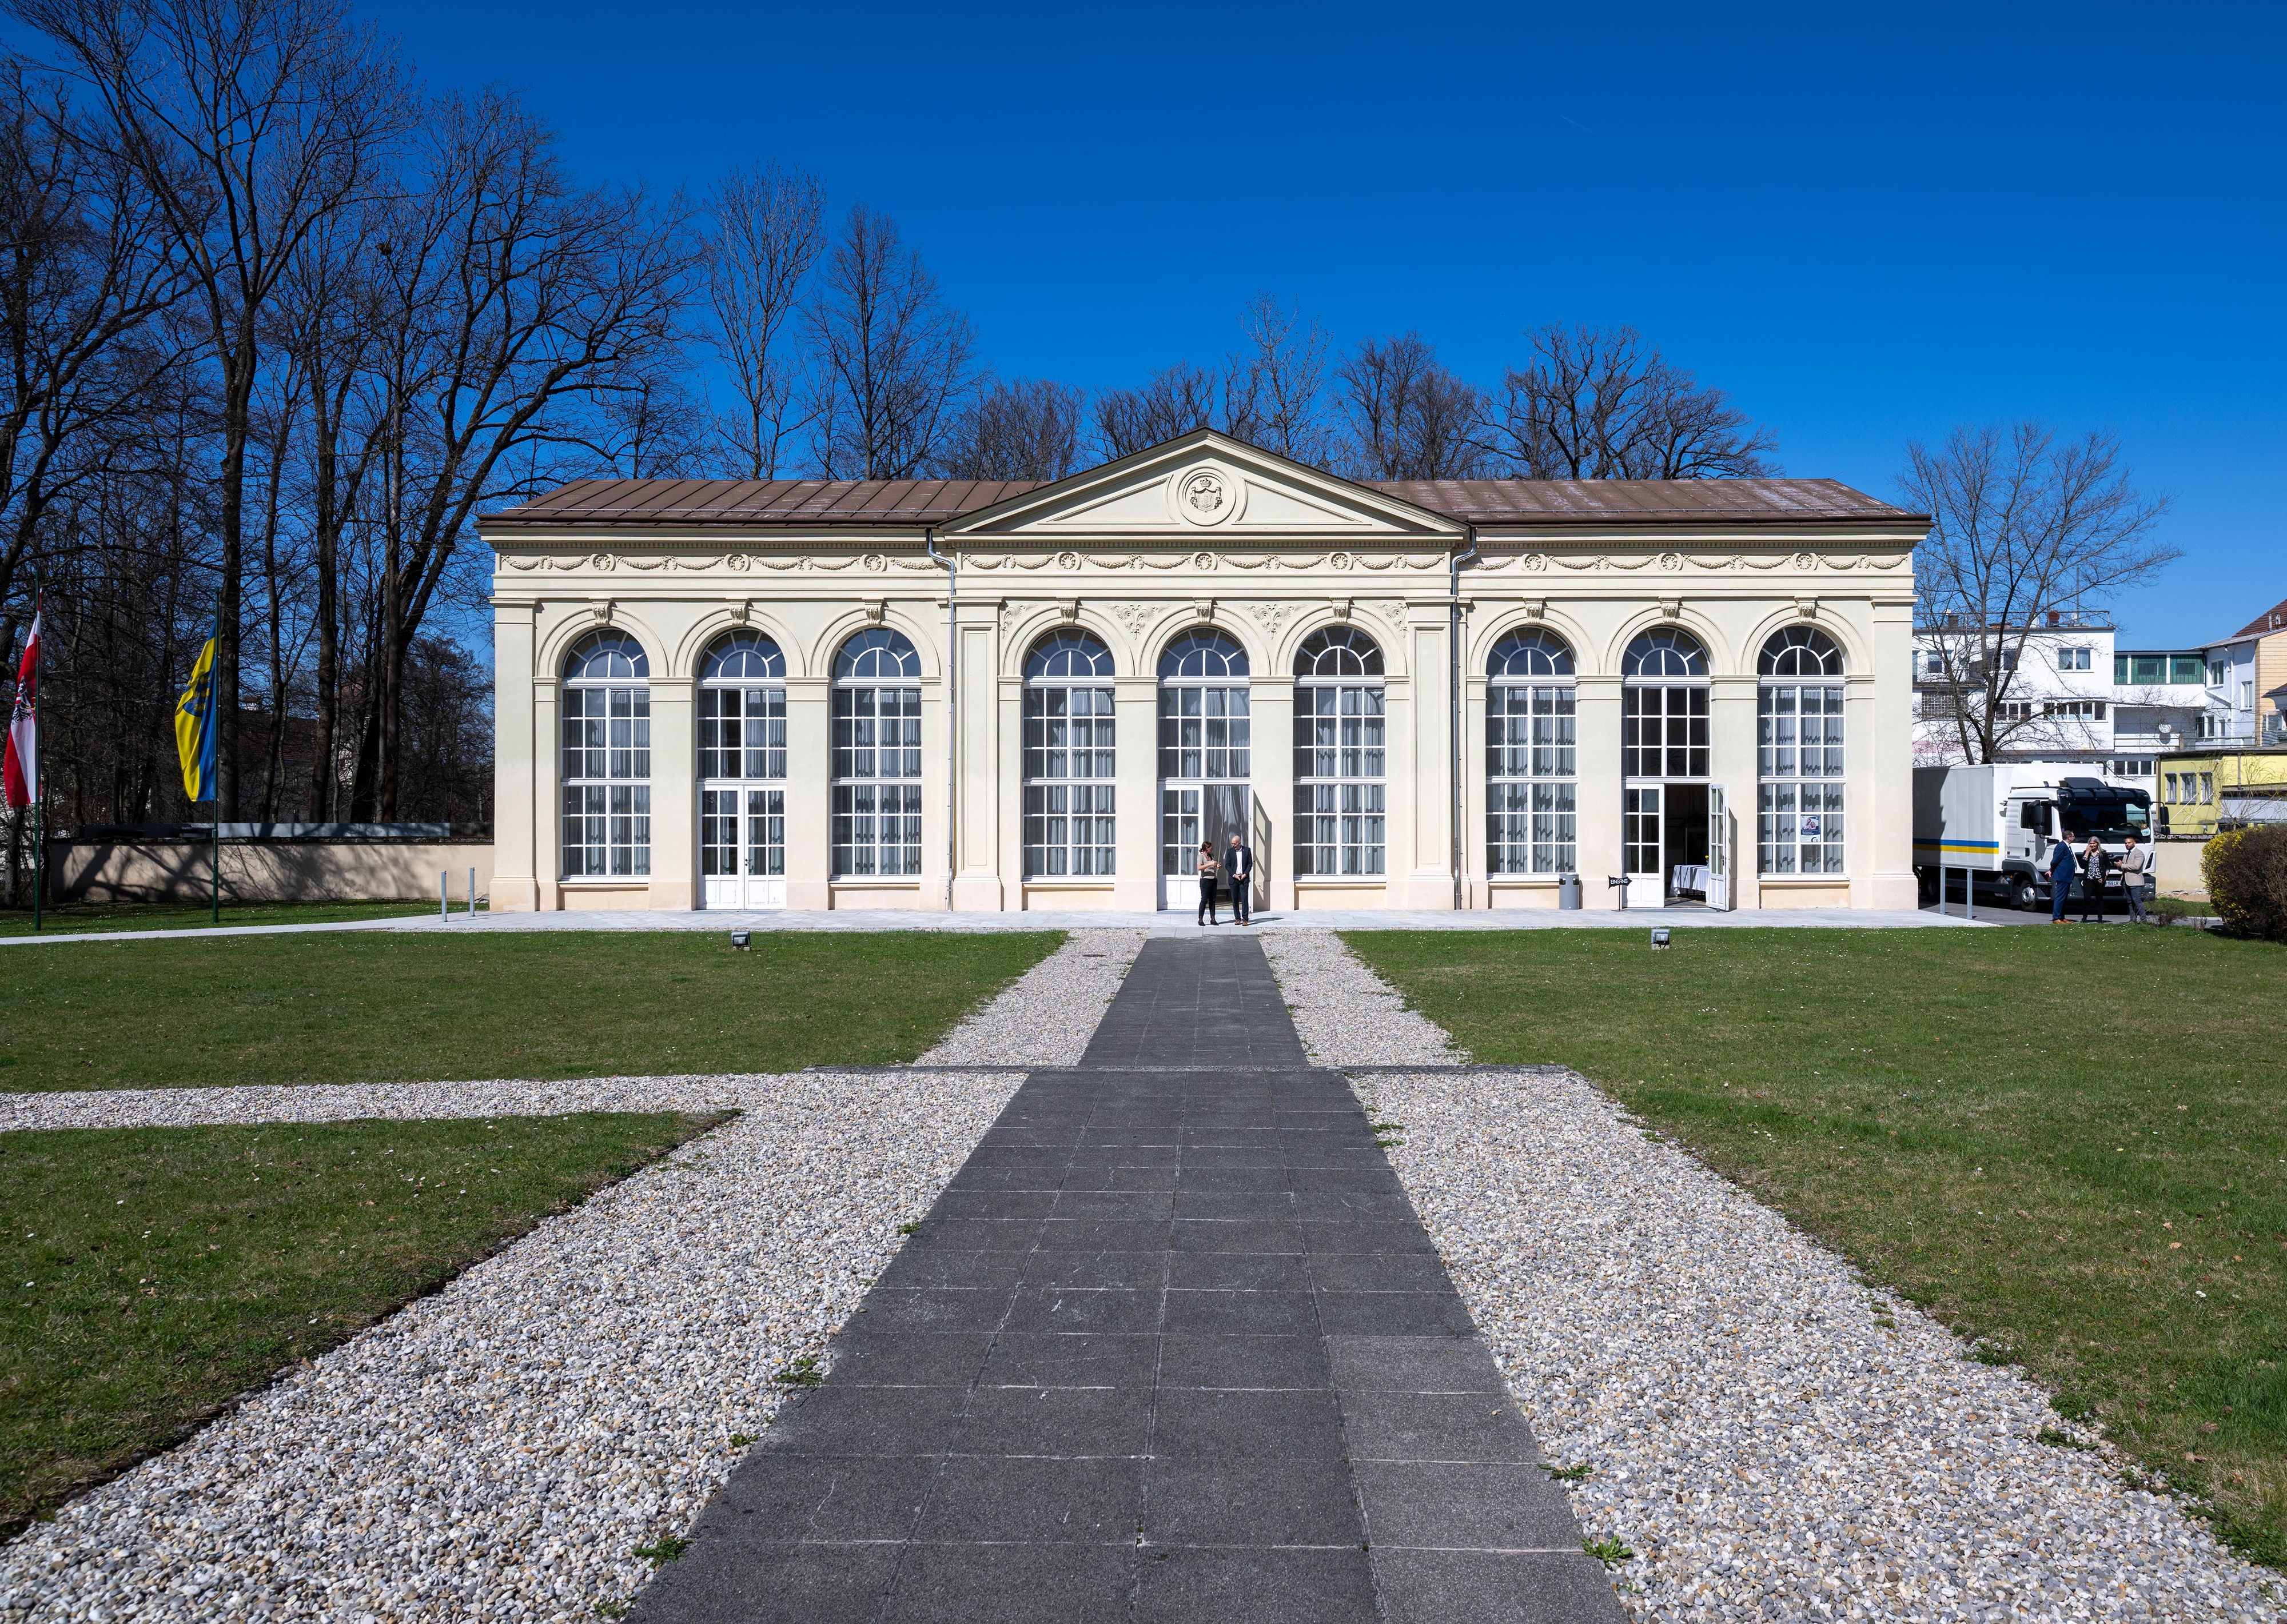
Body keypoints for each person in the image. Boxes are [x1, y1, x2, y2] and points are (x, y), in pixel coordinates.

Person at [1223, 831, 1256, 925]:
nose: (1233, 845)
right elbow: (1227, 865)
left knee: (1244, 899)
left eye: (1235, 844)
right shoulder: (1230, 852)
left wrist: (1245, 874)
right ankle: (1237, 918)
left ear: (1239, 843)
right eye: (1232, 843)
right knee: (1235, 899)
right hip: (1234, 879)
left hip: (1244, 878)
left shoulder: (1247, 850)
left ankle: (1245, 919)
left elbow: (1250, 864)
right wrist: (1234, 875)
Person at [2118, 830, 2151, 922]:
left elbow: (2136, 867)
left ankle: (2144, 920)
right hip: (2126, 881)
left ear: (2134, 843)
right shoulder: (2126, 854)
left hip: (2136, 882)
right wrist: (2120, 866)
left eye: (2129, 843)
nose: (2127, 845)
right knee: (2129, 902)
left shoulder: (2139, 853)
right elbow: (2124, 868)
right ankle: (2133, 919)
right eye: (2126, 843)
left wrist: (2123, 866)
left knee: (2137, 900)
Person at [2049, 828, 2078, 923]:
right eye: (2073, 836)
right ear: (2069, 838)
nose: (2074, 838)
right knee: (2060, 897)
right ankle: (2056, 918)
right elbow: (2055, 860)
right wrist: (2052, 870)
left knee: (2064, 898)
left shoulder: (2067, 846)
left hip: (2067, 876)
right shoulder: (2061, 846)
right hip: (2062, 875)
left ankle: (2062, 917)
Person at [2079, 833, 2109, 923]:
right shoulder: (2086, 853)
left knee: (2099, 898)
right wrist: (2087, 853)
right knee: (2087, 897)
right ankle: (2085, 917)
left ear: (2098, 844)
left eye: (2094, 844)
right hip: (2088, 878)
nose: (2092, 845)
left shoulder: (2103, 853)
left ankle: (2100, 917)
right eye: (2090, 843)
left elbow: (2107, 865)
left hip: (2099, 878)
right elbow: (2082, 865)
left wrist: (2105, 876)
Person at [1194, 840, 1220, 926]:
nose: (1211, 848)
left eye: (1211, 847)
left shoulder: (1212, 856)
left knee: (1213, 900)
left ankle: (1213, 919)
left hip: (1213, 880)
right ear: (1205, 848)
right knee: (1204, 899)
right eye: (1209, 847)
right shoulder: (1201, 857)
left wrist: (1217, 865)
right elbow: (1199, 868)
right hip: (1205, 880)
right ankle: (1200, 919)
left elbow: (1213, 865)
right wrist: (1210, 864)